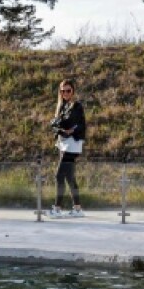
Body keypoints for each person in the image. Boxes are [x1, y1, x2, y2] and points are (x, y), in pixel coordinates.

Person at [47, 80, 86, 217]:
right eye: (62, 91)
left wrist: (59, 124)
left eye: (68, 90)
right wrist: (57, 125)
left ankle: (57, 208)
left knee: (59, 175)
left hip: (72, 144)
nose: (65, 93)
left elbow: (70, 122)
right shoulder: (62, 106)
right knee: (70, 177)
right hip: (63, 143)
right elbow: (55, 126)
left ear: (73, 91)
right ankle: (77, 208)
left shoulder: (76, 106)